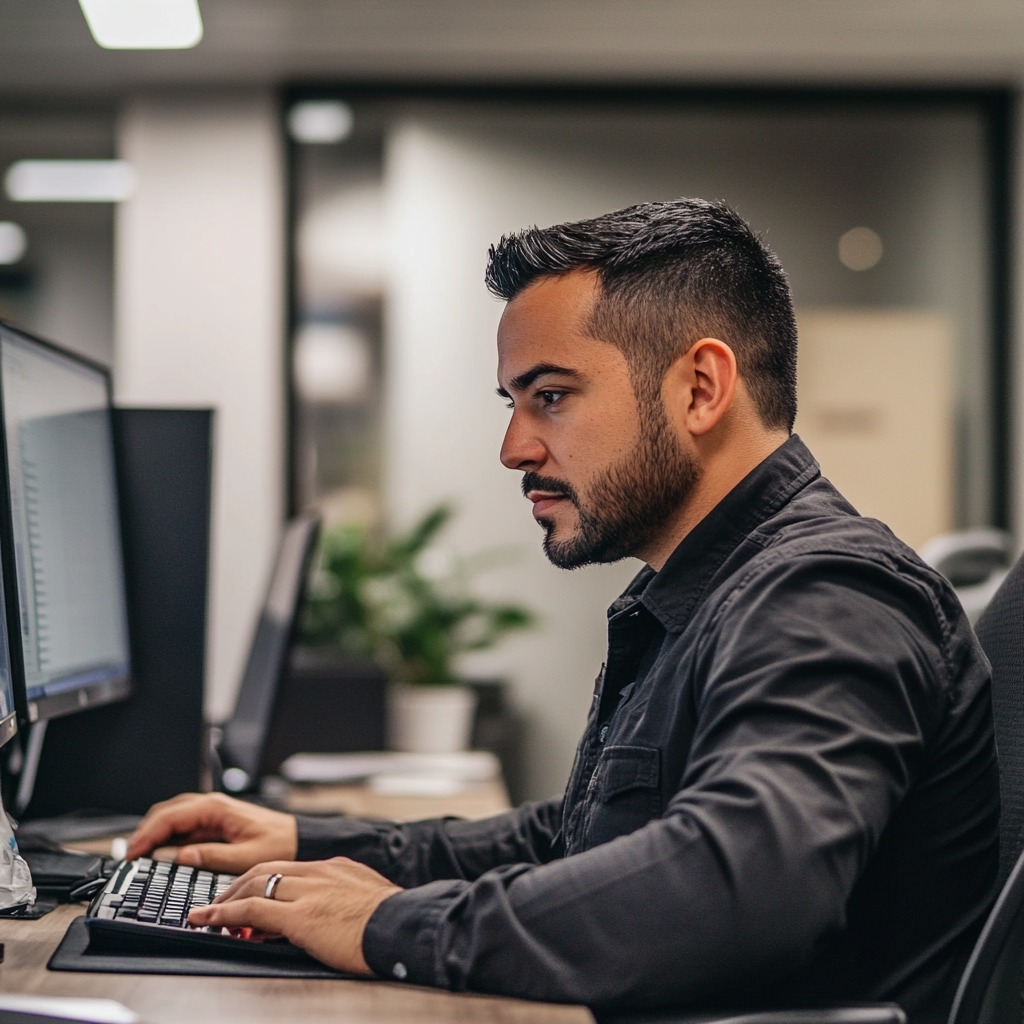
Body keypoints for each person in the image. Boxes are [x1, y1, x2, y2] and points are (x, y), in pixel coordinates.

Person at [128, 198, 998, 1023]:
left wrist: (388, 925)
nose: (515, 447)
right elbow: (584, 838)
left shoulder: (830, 593)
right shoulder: (716, 589)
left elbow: (740, 885)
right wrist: (314, 845)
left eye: (551, 395)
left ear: (700, 387)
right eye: (514, 403)